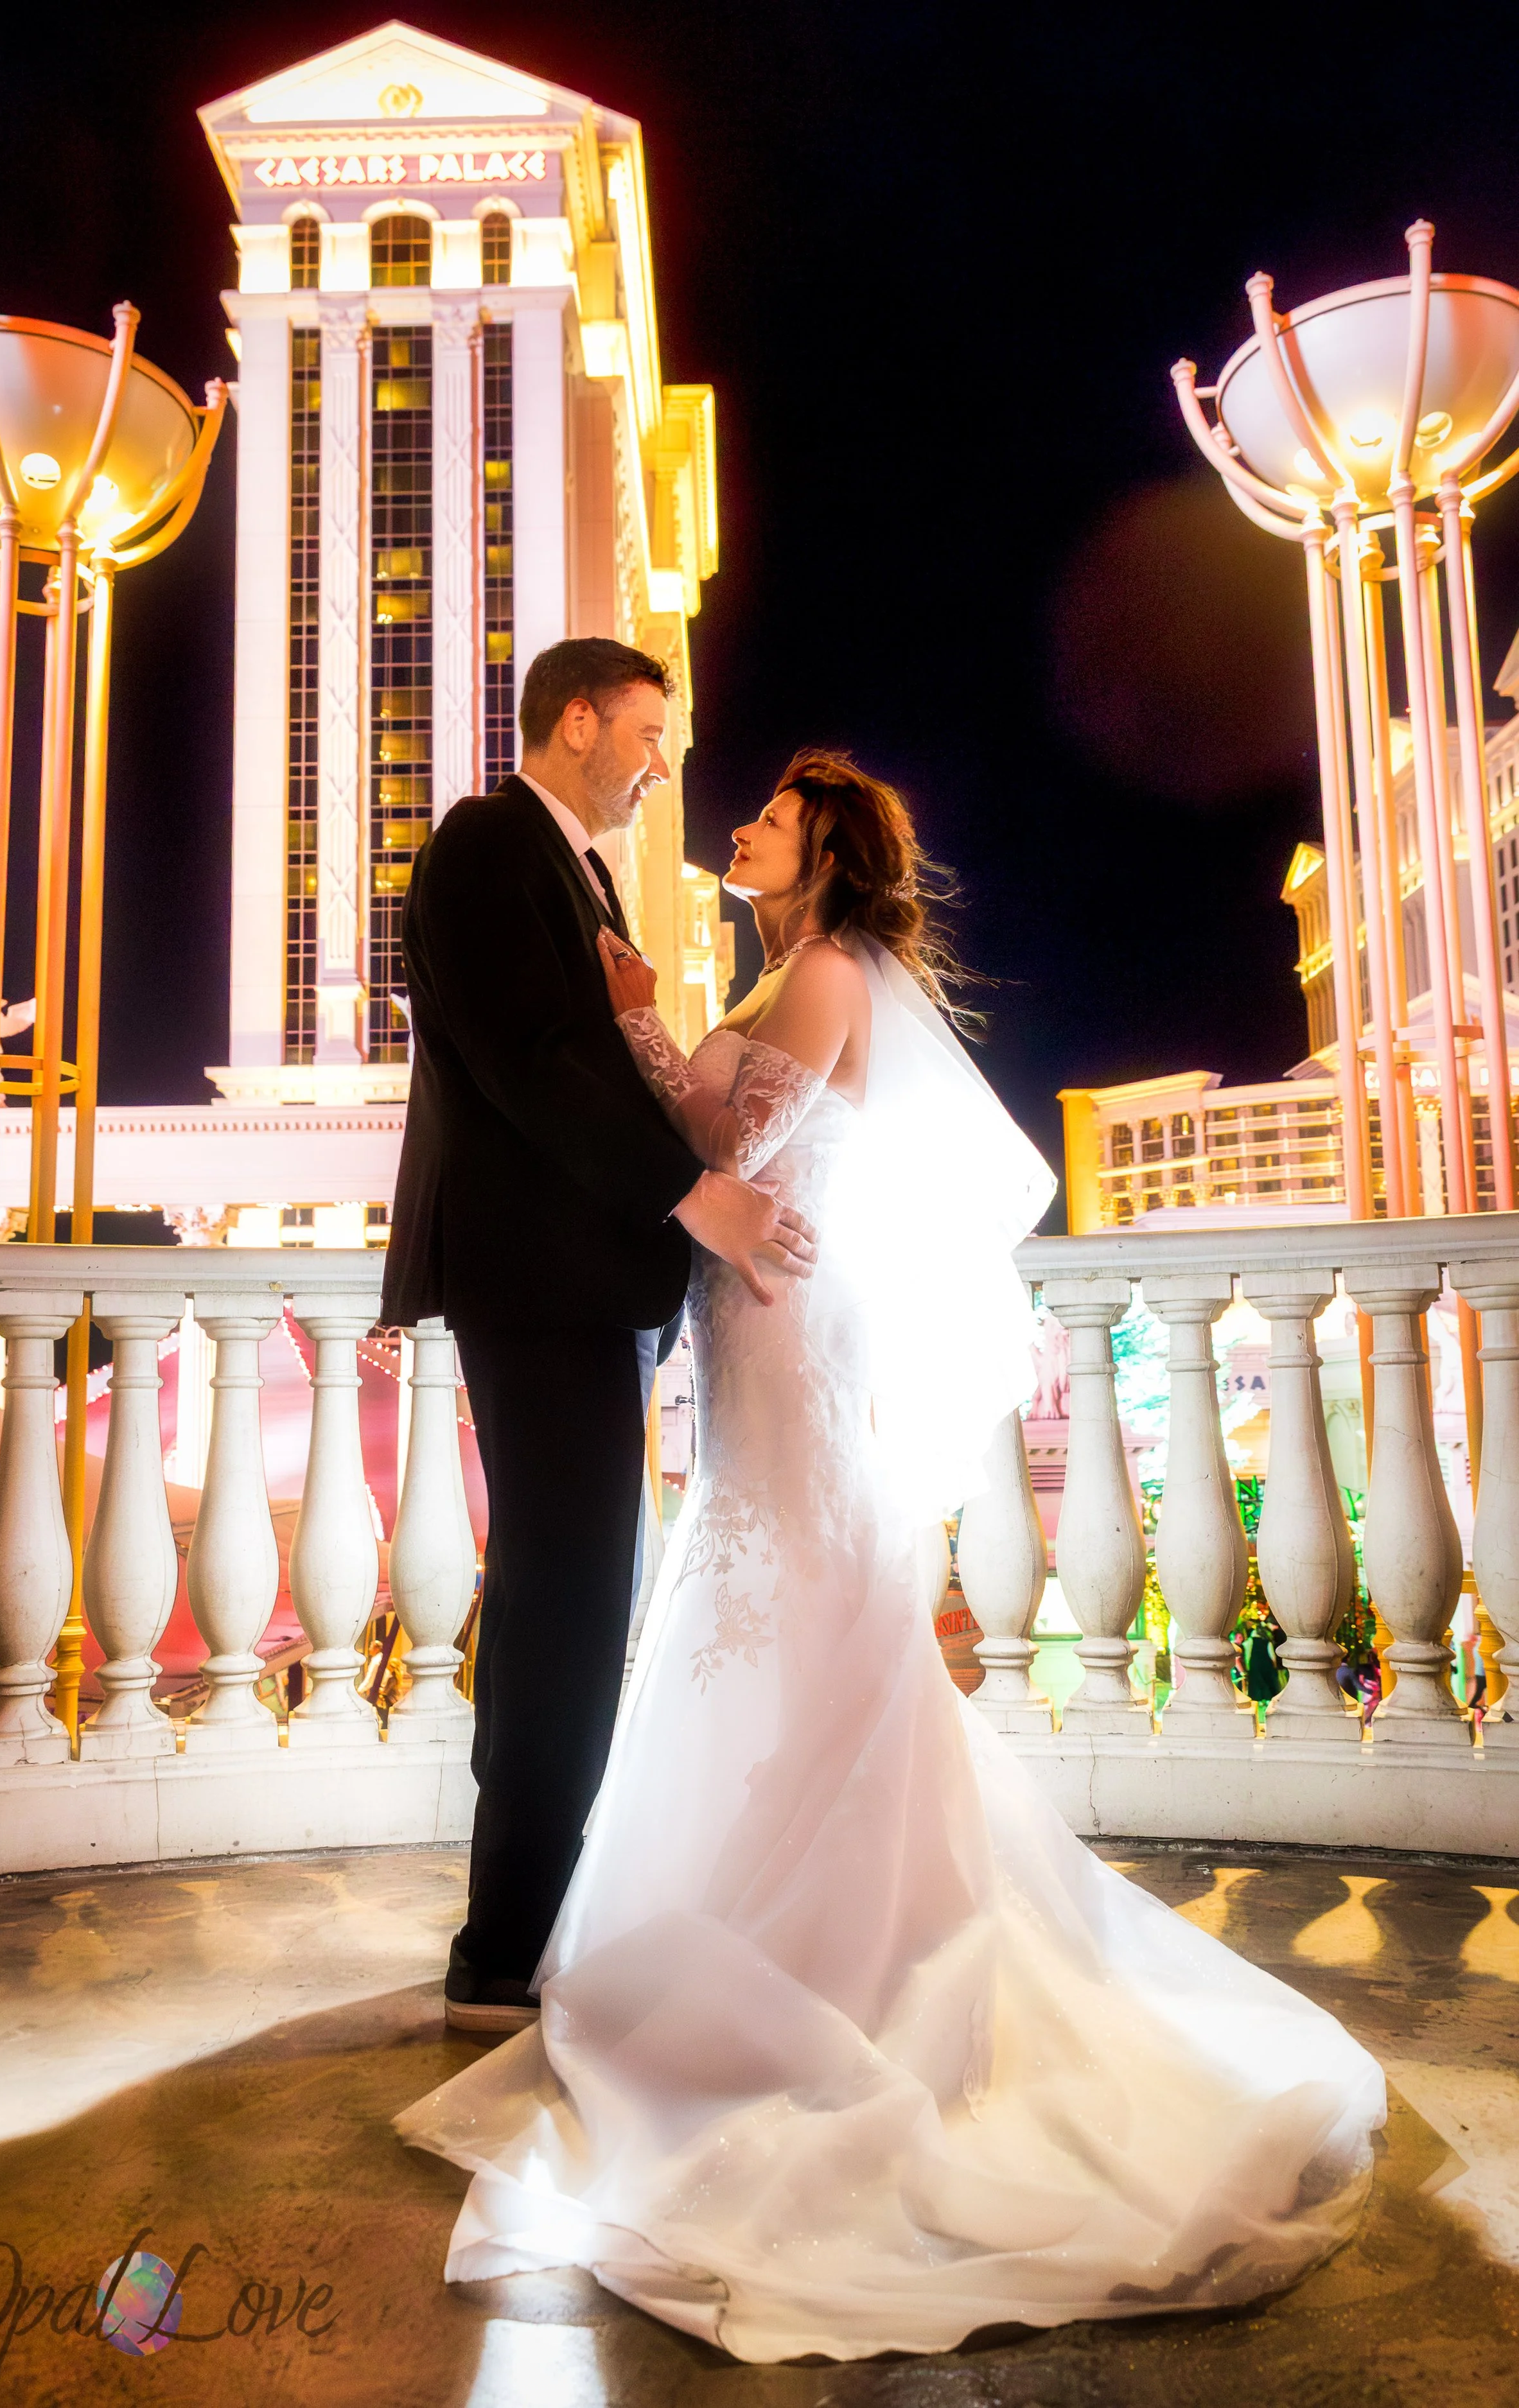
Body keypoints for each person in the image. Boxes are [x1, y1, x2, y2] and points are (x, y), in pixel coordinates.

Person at [397, 753, 1385, 2362]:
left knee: (796, 1598)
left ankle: (843, 1949)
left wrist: (634, 1010)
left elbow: (719, 1126)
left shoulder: (827, 970)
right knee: (758, 1601)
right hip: (754, 1324)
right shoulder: (791, 968)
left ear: (822, 853)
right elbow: (711, 1144)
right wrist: (652, 1012)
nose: (737, 826)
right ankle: (767, 1911)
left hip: (788, 1332)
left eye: (767, 821)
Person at [380, 639, 815, 2035]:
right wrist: (701, 1199)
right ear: (575, 721)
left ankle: (521, 1920)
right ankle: (504, 1954)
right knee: (568, 1615)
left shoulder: (574, 870)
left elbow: (598, 1060)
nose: (657, 763)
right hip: (543, 1288)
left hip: (585, 1290)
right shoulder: (486, 845)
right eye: (644, 733)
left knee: (558, 1611)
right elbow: (527, 1067)